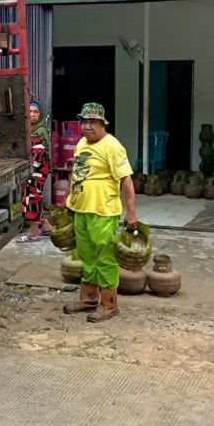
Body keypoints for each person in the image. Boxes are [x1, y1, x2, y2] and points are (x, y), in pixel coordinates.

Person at [63, 102, 138, 322]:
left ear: (102, 124)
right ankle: (88, 300)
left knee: (105, 258)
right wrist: (69, 200)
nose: (86, 126)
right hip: (81, 209)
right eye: (83, 122)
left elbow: (126, 179)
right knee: (87, 257)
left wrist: (131, 212)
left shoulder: (112, 146)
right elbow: (75, 173)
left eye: (92, 122)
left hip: (103, 211)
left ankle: (109, 304)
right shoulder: (80, 144)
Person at [17, 100, 52, 243]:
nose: (32, 115)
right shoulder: (29, 130)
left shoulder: (40, 131)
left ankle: (33, 233)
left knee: (32, 198)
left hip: (37, 170)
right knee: (33, 196)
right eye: (29, 111)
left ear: (40, 114)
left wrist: (30, 172)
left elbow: (38, 155)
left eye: (35, 112)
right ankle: (47, 227)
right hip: (33, 169)